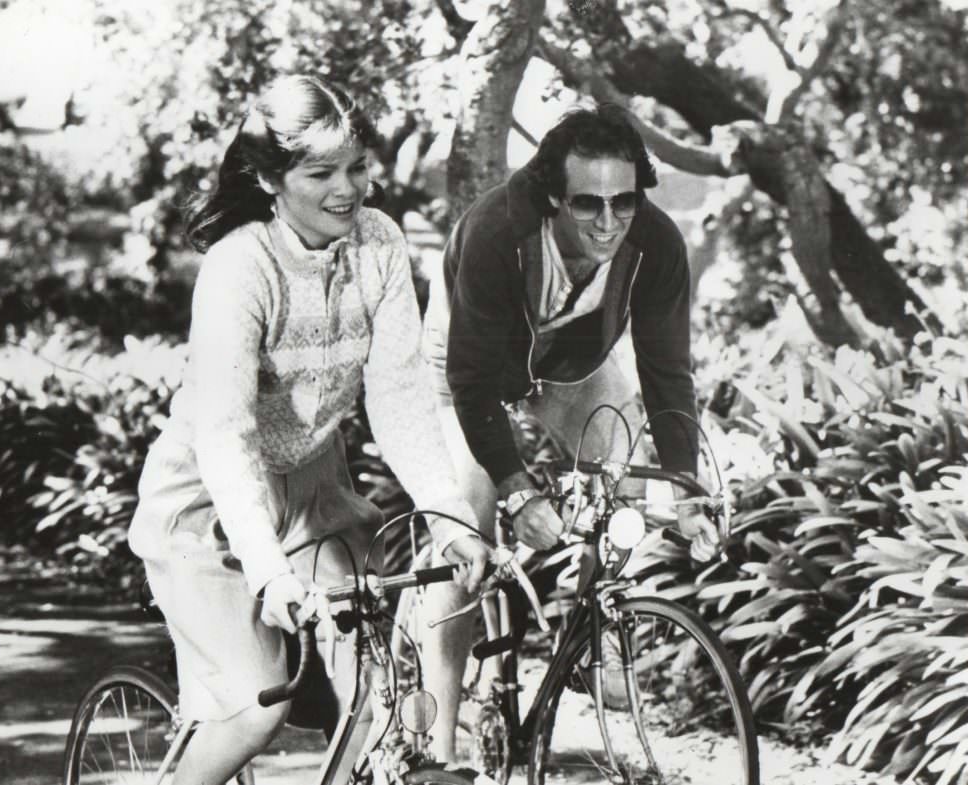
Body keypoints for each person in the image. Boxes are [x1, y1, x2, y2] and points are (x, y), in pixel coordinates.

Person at [127, 75, 489, 785]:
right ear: (268, 178)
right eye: (320, 172)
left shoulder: (380, 242)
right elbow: (227, 436)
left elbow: (399, 396)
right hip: (207, 496)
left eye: (356, 167)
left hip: (316, 488)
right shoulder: (239, 266)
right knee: (257, 707)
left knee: (377, 698)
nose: (347, 189)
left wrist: (452, 519)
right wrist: (268, 571)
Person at [418, 102, 720, 760]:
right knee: (468, 527)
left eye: (624, 201)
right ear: (554, 195)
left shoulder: (657, 243)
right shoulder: (497, 230)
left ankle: (597, 636)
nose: (609, 222)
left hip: (564, 369)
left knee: (625, 463)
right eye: (588, 204)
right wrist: (517, 491)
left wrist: (687, 488)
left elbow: (667, 372)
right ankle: (435, 749)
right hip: (461, 371)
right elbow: (471, 383)